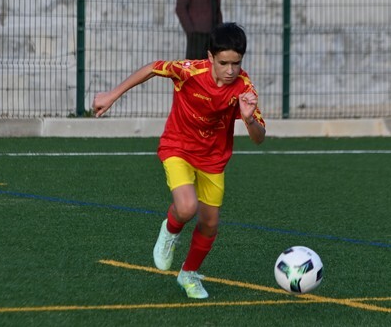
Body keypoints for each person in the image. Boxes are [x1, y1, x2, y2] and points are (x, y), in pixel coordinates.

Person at [91, 23, 266, 299]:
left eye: (236, 63)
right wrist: (112, 95)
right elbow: (152, 68)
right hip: (178, 147)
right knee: (186, 208)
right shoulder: (189, 71)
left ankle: (188, 274)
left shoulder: (244, 88)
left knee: (210, 223)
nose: (230, 70)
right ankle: (170, 231)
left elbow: (259, 137)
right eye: (223, 63)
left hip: (213, 158)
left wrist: (247, 118)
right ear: (210, 57)